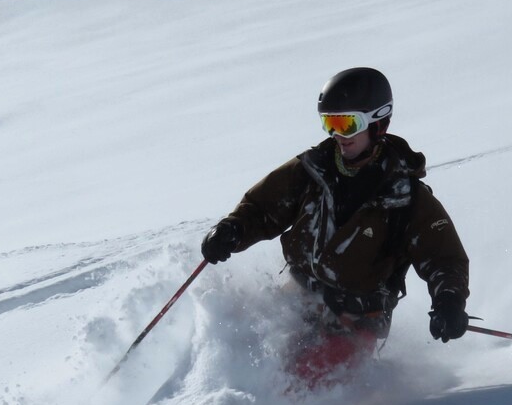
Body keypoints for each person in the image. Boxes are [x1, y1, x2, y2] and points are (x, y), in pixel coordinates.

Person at [200, 67, 470, 385]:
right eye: (330, 123)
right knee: (237, 344)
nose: (337, 135)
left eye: (347, 123)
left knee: (299, 383)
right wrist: (232, 230)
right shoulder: (313, 169)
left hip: (354, 321)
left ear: (378, 121)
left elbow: (443, 258)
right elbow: (263, 208)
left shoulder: (407, 198)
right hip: (296, 297)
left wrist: (448, 302)